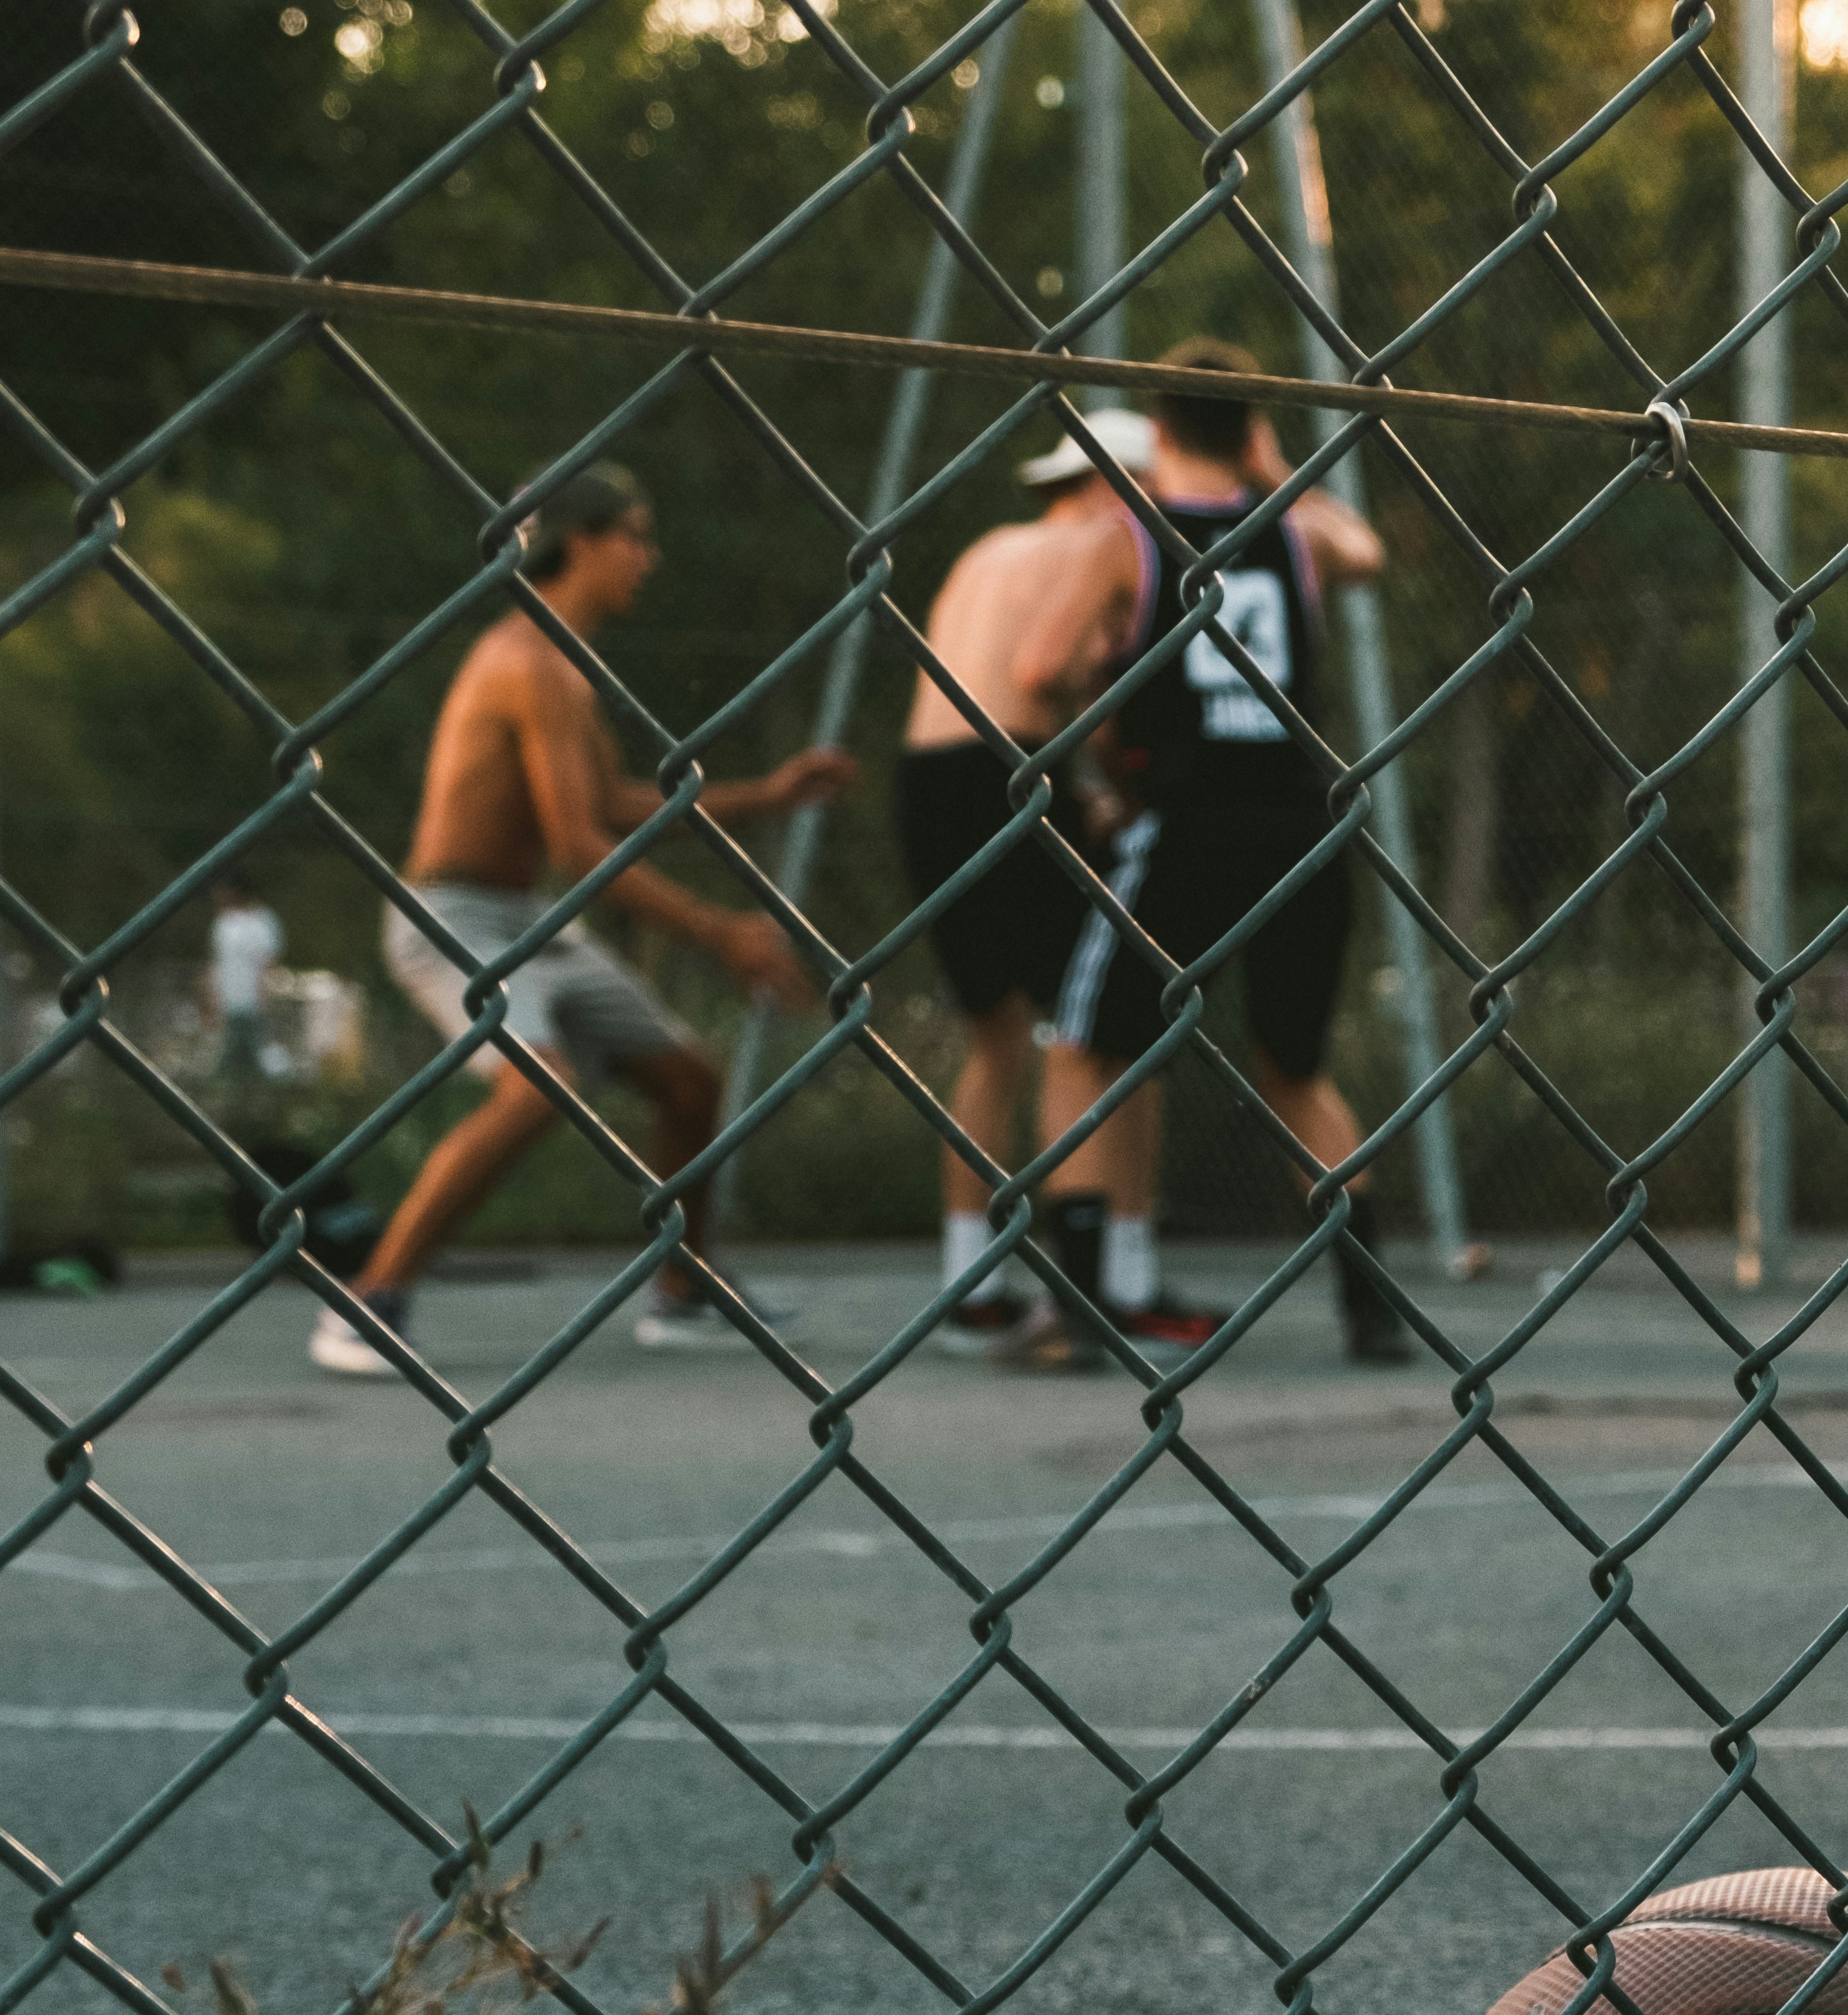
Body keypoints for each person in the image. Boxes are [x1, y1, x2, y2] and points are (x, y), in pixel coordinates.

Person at [310, 462, 851, 1379]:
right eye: (635, 535)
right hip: (451, 917)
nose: (650, 555)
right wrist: (720, 931)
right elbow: (582, 846)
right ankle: (372, 1299)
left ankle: (684, 1291)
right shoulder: (527, 663)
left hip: (528, 918)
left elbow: (606, 801)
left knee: (689, 1081)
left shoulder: (564, 666)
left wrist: (766, 793)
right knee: (540, 1083)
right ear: (581, 541)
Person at [1003, 337, 1406, 1370]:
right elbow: (1372, 551)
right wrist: (1270, 471)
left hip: (1186, 821)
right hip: (1301, 826)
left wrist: (1103, 749)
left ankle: (1081, 1302)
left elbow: (1037, 665)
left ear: (1160, 423)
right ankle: (1370, 1306)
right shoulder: (1303, 533)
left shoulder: (1128, 536)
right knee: (1296, 1069)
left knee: (1082, 1049)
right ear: (1253, 428)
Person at [894, 406, 1216, 1354]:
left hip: (926, 780)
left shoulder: (991, 548)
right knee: (1110, 1029)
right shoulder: (1107, 548)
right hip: (1013, 774)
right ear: (1121, 482)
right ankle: (1119, 1273)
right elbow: (1056, 681)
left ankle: (972, 1280)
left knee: (997, 1038)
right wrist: (1103, 785)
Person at [204, 870, 283, 1092]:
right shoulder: (222, 923)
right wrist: (213, 997)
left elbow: (267, 965)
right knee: (230, 1056)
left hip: (253, 1002)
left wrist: (264, 997)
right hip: (229, 1002)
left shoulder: (262, 922)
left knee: (259, 1055)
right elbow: (217, 963)